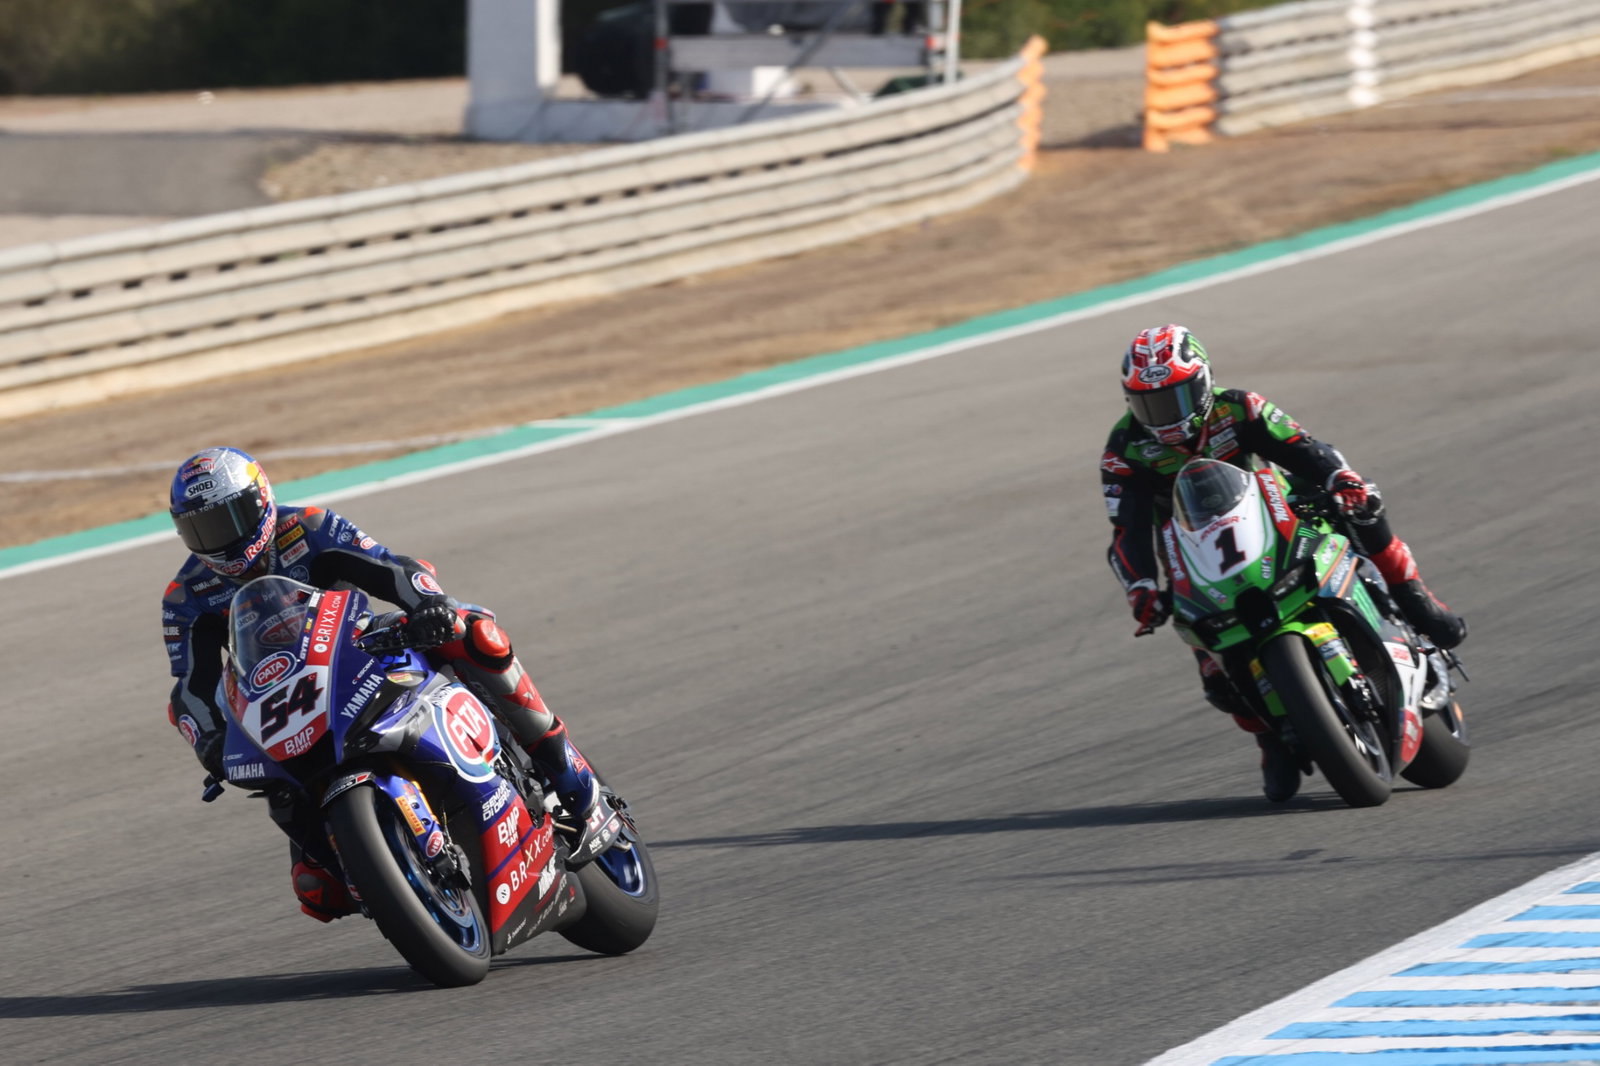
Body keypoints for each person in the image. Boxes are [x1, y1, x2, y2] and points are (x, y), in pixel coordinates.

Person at [162, 446, 604, 922]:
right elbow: (191, 688)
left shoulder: (308, 526)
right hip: (286, 705)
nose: (221, 537)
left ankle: (563, 769)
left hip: (363, 655)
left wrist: (428, 603)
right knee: (317, 891)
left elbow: (390, 568)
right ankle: (375, 868)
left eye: (231, 516)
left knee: (473, 633)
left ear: (261, 498)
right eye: (202, 527)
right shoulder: (185, 596)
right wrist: (207, 737)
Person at [1100, 325, 1466, 802]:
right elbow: (1127, 529)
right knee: (1211, 662)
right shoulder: (1123, 449)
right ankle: (1268, 737)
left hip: (1277, 510)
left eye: (1177, 398)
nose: (1166, 416)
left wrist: (1340, 477)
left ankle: (1413, 598)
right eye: (1150, 404)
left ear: (1204, 384)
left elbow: (1304, 447)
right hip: (1196, 548)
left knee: (1364, 505)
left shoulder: (1241, 407)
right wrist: (1141, 586)